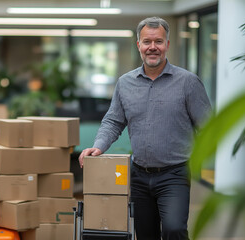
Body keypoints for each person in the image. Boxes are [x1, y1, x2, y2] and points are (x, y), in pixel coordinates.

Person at [78, 16, 211, 240]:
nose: (152, 47)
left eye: (158, 41)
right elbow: (113, 121)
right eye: (147, 42)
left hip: (174, 175)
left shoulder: (188, 82)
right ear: (138, 44)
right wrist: (98, 147)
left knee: (174, 229)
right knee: (146, 234)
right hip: (138, 174)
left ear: (167, 45)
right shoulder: (125, 83)